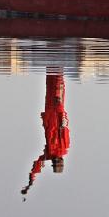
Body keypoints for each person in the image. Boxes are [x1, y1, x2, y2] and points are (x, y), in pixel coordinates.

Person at [22, 67, 70, 197]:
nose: (55, 162)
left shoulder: (51, 153)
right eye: (56, 164)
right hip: (54, 108)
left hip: (51, 110)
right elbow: (64, 125)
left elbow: (38, 164)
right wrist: (59, 105)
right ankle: (56, 57)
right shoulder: (61, 148)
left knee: (52, 79)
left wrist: (30, 181)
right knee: (55, 79)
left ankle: (53, 59)